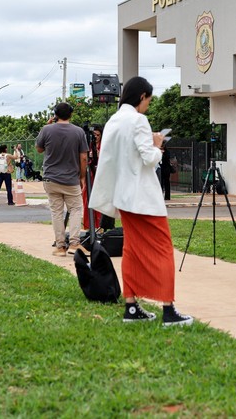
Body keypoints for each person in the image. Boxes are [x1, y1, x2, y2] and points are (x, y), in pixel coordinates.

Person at [89, 76, 193, 326]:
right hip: (143, 197)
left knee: (132, 250)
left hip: (123, 197)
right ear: (142, 96)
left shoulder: (114, 120)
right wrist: (158, 145)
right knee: (163, 249)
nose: (148, 105)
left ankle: (132, 307)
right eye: (148, 99)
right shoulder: (138, 120)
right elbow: (149, 158)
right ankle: (169, 310)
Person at [36, 102, 88, 256]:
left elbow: (39, 149)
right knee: (76, 209)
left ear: (55, 115)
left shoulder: (47, 129)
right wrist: (82, 176)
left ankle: (60, 247)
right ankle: (74, 243)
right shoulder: (78, 132)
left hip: (50, 178)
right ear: (71, 114)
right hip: (71, 179)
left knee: (57, 212)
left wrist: (46, 127)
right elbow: (84, 156)